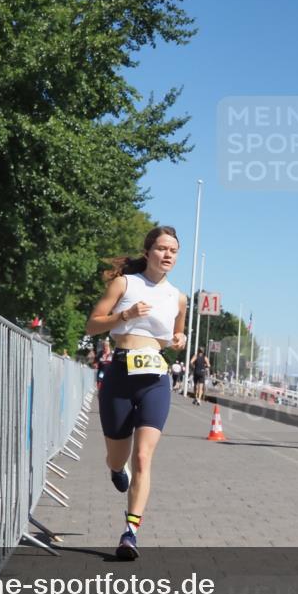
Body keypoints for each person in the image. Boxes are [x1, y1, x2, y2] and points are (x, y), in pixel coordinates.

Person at [86, 226, 187, 559]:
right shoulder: (125, 284)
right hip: (120, 374)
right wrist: (125, 315)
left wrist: (179, 341)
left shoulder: (178, 297)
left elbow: (177, 333)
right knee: (119, 456)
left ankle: (130, 532)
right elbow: (92, 324)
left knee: (143, 456)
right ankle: (116, 469)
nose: (168, 254)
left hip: (155, 378)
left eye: (173, 250)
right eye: (161, 248)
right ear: (148, 252)